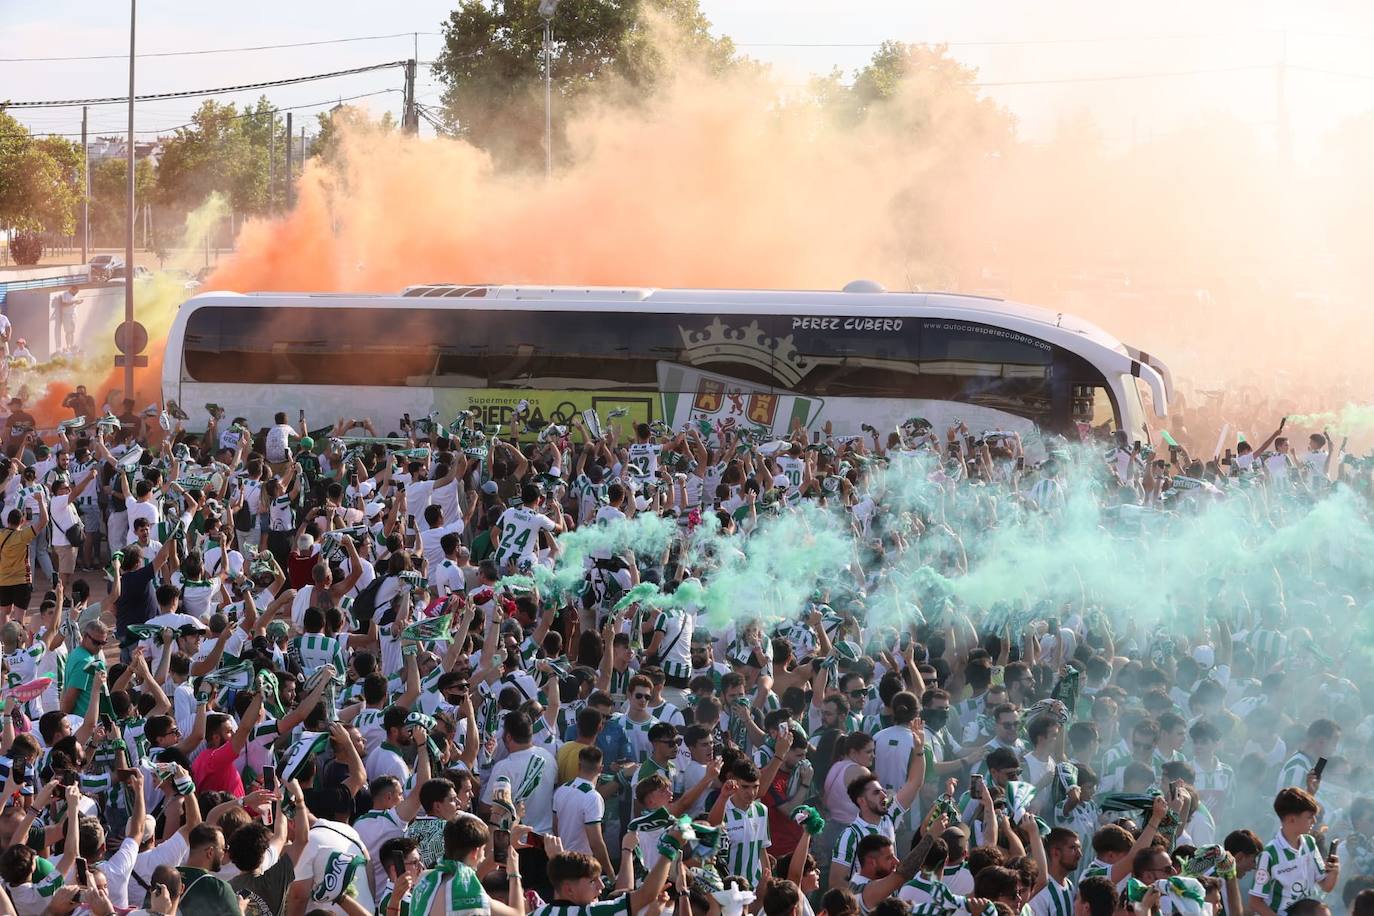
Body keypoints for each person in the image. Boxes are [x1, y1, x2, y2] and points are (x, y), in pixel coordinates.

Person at [0, 500, 48, 625]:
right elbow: (44, 521)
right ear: (21, 521)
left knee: (4, 613)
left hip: (3, 580)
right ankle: (17, 641)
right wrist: (40, 501)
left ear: (7, 521)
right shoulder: (23, 535)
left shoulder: (1, 534)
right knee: (19, 616)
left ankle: (4, 640)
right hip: (22, 581)